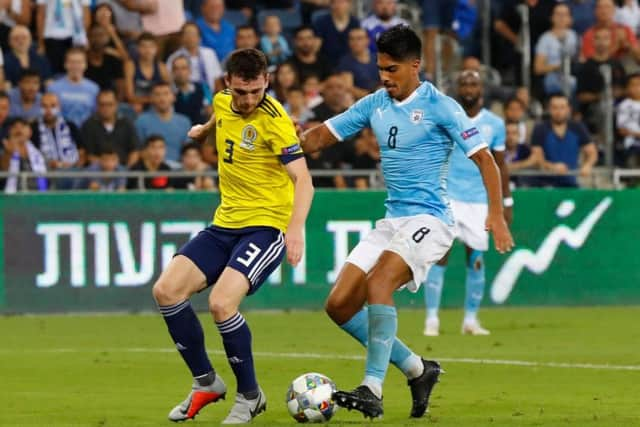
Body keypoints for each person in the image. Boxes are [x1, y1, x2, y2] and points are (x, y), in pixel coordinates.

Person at [300, 25, 514, 419]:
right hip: (392, 220)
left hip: (432, 220)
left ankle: (372, 388)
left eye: (392, 69)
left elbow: (486, 160)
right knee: (339, 305)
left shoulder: (442, 106)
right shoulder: (374, 104)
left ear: (415, 65)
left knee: (378, 282)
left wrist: (496, 215)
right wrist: (279, 145)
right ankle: (418, 369)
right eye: (381, 68)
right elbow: (319, 138)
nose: (385, 77)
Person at [151, 48, 314, 424]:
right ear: (227, 84)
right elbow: (219, 118)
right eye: (241, 92)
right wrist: (204, 131)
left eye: (256, 91)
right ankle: (206, 382)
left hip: (266, 226)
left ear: (266, 83)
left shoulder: (276, 122)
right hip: (224, 223)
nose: (248, 100)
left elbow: (304, 180)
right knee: (166, 290)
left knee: (222, 305)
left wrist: (295, 229)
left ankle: (250, 397)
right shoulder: (224, 102)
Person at [422, 70, 512, 337]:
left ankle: (470, 320)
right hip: (447, 195)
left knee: (476, 259)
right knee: (439, 255)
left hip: (478, 199)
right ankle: (431, 319)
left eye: (473, 83)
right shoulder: (448, 117)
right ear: (457, 88)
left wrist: (505, 200)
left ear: (481, 88)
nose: (469, 88)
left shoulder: (495, 124)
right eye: (464, 83)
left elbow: (500, 164)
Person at [529, 93, 599, 187]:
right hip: (546, 183)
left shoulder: (577, 127)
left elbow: (592, 153)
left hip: (571, 182)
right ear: (549, 109)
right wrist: (552, 167)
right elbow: (536, 158)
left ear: (568, 109)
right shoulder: (540, 129)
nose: (558, 111)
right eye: (555, 107)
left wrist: (588, 165)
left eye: (562, 107)